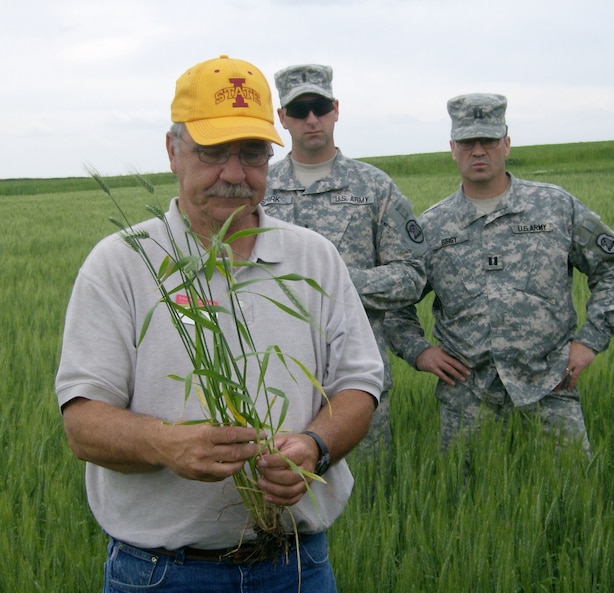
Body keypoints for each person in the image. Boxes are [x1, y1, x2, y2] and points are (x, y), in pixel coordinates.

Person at [55, 55, 384, 593]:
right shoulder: (122, 262)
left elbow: (359, 383)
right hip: (164, 574)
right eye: (212, 152)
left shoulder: (314, 257)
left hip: (297, 567)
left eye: (253, 153)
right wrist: (166, 444)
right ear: (172, 152)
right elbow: (82, 422)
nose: (235, 174)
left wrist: (314, 446)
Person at [385, 93, 614, 456]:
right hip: (467, 397)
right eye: (467, 142)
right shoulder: (432, 226)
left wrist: (589, 342)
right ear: (452, 148)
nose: (478, 151)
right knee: (466, 502)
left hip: (550, 386)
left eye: (488, 141)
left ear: (506, 143)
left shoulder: (555, 207)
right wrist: (420, 352)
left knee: (571, 493)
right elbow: (396, 301)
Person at [262, 64, 427, 456]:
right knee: (277, 500)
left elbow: (412, 275)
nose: (312, 119)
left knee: (368, 504)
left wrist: (330, 283)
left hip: (356, 384)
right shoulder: (259, 189)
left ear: (336, 108)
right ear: (282, 118)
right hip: (272, 384)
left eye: (319, 106)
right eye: (299, 111)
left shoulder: (374, 187)